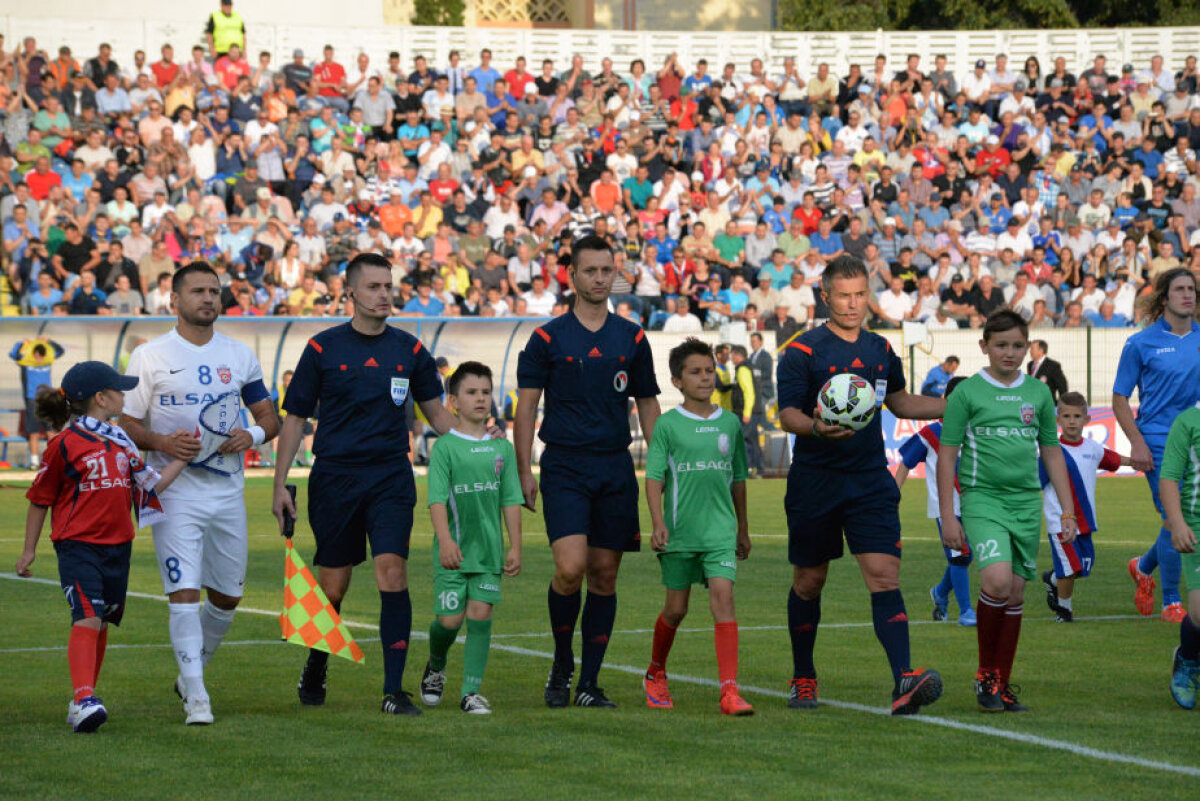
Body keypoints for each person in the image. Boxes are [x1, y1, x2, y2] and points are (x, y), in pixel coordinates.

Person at [273, 252, 470, 716]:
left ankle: (392, 691)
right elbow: (294, 417)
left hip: (390, 476)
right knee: (333, 588)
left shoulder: (410, 350)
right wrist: (280, 484)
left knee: (392, 572)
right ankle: (317, 660)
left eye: (389, 286)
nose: (385, 294)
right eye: (375, 287)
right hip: (335, 478)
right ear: (352, 293)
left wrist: (478, 439)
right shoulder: (322, 349)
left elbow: (438, 414)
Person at [776, 255, 944, 715]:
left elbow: (900, 402)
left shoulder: (880, 350)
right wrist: (815, 427)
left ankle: (904, 680)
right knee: (809, 582)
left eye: (859, 295)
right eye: (843, 296)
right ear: (825, 296)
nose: (852, 304)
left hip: (869, 480)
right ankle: (804, 676)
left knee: (884, 575)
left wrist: (954, 406)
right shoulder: (802, 351)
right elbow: (786, 412)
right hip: (816, 481)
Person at [120, 262, 279, 726]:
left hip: (228, 492)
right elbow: (128, 423)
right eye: (198, 291)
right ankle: (196, 695)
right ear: (175, 301)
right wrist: (164, 444)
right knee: (183, 592)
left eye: (214, 291)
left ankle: (191, 672)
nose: (208, 298)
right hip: (174, 494)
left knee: (228, 596)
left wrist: (250, 435)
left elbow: (269, 417)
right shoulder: (150, 355)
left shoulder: (240, 355)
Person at [515, 234, 661, 709]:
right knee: (570, 568)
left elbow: (647, 404)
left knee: (604, 574)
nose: (600, 279)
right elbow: (526, 409)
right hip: (564, 466)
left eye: (607, 271)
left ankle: (589, 684)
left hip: (615, 468)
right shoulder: (546, 338)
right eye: (591, 271)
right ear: (572, 276)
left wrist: (661, 463)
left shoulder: (632, 337)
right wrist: (524, 470)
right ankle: (562, 661)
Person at [18, 361, 186, 732]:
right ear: (101, 397)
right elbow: (39, 498)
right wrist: (29, 550)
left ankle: (84, 696)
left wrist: (182, 459)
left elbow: (149, 486)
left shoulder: (121, 440)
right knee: (88, 617)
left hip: (118, 547)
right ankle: (84, 699)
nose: (124, 395)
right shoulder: (63, 445)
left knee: (103, 621)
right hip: (77, 547)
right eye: (119, 389)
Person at [937, 310, 1077, 713]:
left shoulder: (1037, 393)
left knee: (1015, 592)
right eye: (1001, 345)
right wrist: (950, 515)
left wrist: (1067, 511)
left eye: (1018, 345)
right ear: (984, 347)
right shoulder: (966, 394)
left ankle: (1000, 679)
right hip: (983, 500)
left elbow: (1052, 453)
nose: (1010, 353)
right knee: (997, 580)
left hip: (1026, 503)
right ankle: (985, 672)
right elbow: (947, 456)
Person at [643, 338, 753, 715]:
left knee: (724, 600)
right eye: (696, 372)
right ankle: (656, 671)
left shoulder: (730, 423)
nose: (705, 378)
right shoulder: (667, 426)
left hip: (720, 533)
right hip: (679, 534)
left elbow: (738, 478)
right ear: (677, 381)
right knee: (676, 609)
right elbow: (654, 478)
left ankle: (729, 692)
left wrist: (742, 529)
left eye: (709, 371)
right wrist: (657, 523)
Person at [419, 362, 523, 716]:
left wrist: (515, 546)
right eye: (471, 393)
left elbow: (510, 499)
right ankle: (435, 664)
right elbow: (436, 499)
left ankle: (470, 692)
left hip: (488, 553)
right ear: (453, 401)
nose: (480, 399)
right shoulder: (445, 448)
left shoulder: (501, 449)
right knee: (449, 621)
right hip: (454, 552)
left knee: (480, 616)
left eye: (485, 392)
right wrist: (445, 542)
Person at [1115, 269, 1200, 623]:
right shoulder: (1140, 343)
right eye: (1179, 289)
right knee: (1173, 517)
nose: (1188, 295)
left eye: (1192, 289)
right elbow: (1120, 397)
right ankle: (1171, 601)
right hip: (1158, 438)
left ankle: (1144, 565)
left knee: (1188, 518)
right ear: (1164, 298)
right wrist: (1137, 443)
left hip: (1194, 439)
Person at [1039, 392, 1131, 623]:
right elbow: (1035, 483)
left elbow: (1113, 459)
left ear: (1087, 420)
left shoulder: (1093, 448)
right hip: (1059, 522)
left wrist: (1139, 461)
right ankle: (1064, 611)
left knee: (1081, 569)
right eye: (1066, 416)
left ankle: (1052, 579)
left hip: (1085, 521)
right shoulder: (1050, 451)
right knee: (1069, 569)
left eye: (1077, 416)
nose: (1072, 421)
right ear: (1057, 419)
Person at [894, 376, 976, 627]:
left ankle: (940, 592)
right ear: (945, 401)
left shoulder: (976, 432)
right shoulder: (931, 433)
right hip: (946, 507)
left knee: (966, 556)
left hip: (976, 504)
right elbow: (906, 462)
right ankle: (967, 612)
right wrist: (893, 494)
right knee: (960, 557)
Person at [1159, 403, 1200, 709]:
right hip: (1197, 524)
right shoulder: (1187, 422)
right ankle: (1187, 658)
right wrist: (1177, 524)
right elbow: (1169, 478)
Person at [8, 337, 65, 468]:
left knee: (51, 431)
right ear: (34, 353)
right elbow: (13, 355)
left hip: (47, 399)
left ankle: (53, 460)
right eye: (38, 356)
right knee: (33, 432)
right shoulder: (25, 362)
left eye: (41, 356)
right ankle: (34, 462)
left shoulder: (47, 361)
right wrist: (21, 343)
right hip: (32, 399)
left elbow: (60, 351)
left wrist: (49, 341)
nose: (39, 359)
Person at [725, 345, 763, 477]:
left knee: (742, 441)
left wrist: (747, 413)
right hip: (754, 411)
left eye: (732, 355)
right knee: (753, 441)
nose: (731, 358)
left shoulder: (743, 369)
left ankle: (748, 468)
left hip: (747, 413)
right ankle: (758, 469)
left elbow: (748, 393)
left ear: (737, 355)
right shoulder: (752, 367)